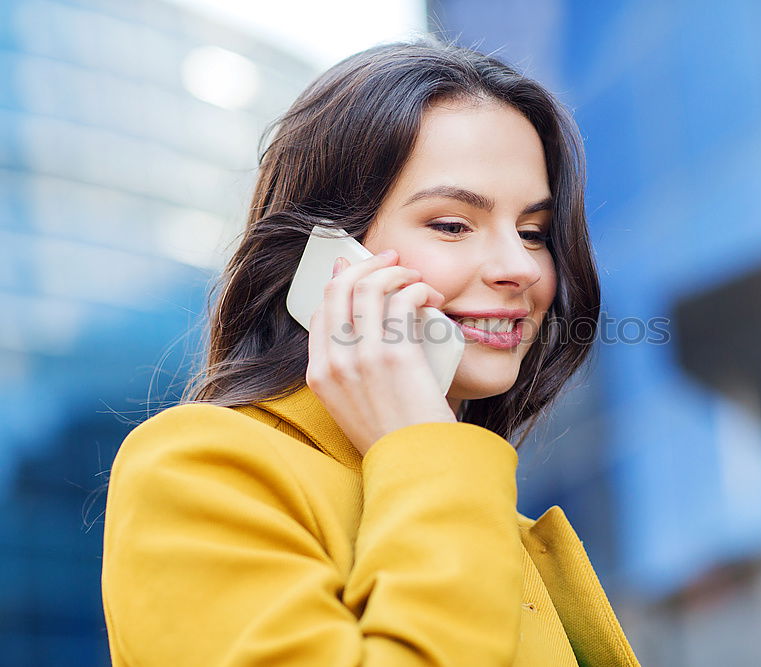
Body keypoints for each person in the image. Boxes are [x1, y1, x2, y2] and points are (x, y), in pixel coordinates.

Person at [101, 38, 641, 666]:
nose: (519, 267)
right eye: (451, 224)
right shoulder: (203, 470)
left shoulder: (481, 515)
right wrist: (424, 449)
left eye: (534, 233)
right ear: (327, 257)